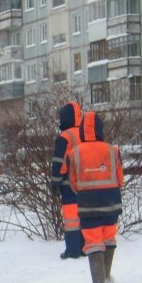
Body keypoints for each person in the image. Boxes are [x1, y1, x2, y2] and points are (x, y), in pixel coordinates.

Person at [62, 111, 124, 283]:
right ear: (99, 129)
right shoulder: (113, 150)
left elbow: (72, 181)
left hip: (88, 203)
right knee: (108, 236)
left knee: (93, 240)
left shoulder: (74, 153)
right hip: (111, 201)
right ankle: (106, 277)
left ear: (82, 131)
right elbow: (120, 178)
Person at [50, 100, 84, 260]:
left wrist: (55, 182)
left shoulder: (65, 136)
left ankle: (72, 250)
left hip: (68, 184)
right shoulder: (86, 133)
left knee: (71, 219)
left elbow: (59, 162)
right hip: (86, 184)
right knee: (85, 217)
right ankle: (85, 247)